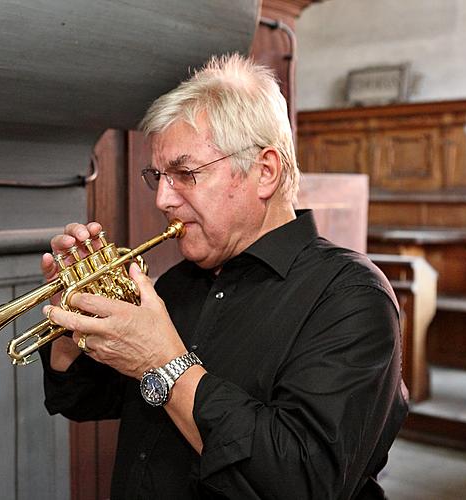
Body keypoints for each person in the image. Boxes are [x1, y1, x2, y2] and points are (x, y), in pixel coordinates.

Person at [39, 53, 408, 499]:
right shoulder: (178, 282)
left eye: (184, 174)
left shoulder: (352, 297)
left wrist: (165, 362)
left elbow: (303, 483)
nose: (162, 199)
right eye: (157, 176)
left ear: (264, 172)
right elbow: (84, 401)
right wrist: (68, 329)